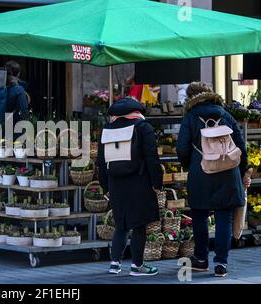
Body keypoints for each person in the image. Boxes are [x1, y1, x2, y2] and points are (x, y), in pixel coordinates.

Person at [176, 82, 250, 277]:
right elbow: (241, 147)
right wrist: (242, 172)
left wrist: (189, 164)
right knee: (224, 216)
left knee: (199, 215)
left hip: (201, 172)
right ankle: (221, 264)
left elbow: (182, 148)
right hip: (228, 172)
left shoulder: (190, 117)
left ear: (190, 98)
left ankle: (200, 259)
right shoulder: (226, 114)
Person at [97, 97, 163, 276]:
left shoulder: (107, 130)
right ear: (137, 111)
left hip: (115, 182)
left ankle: (114, 263)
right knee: (139, 224)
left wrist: (105, 186)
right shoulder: (143, 127)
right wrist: (157, 183)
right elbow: (152, 158)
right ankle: (137, 266)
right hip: (139, 181)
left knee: (121, 224)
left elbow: (101, 162)